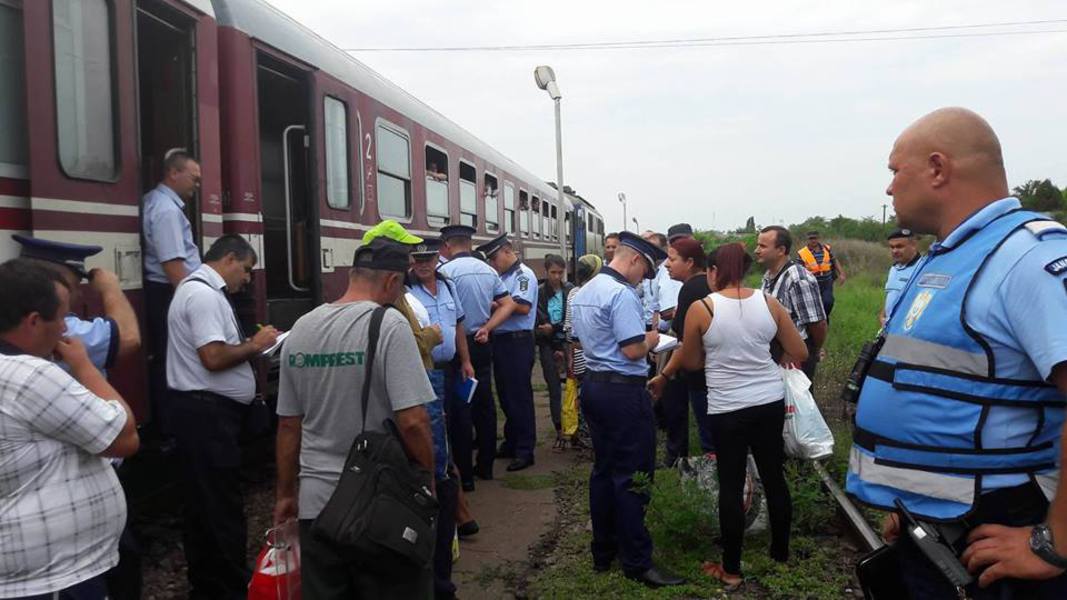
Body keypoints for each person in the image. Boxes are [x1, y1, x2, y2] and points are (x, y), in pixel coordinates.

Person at [844, 108, 1067, 599]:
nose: (888, 189)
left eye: (894, 171)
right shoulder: (952, 254)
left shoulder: (1026, 257)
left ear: (938, 169)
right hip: (940, 526)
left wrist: (1056, 542)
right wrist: (911, 498)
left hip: (997, 531)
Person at [273, 237, 437, 598]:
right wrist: (427, 474)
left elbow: (288, 425)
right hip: (380, 505)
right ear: (392, 282)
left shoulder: (301, 328)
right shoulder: (389, 325)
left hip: (316, 507)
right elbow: (413, 421)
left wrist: (286, 494)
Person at [650, 243, 806, 589]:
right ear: (746, 270)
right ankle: (780, 553)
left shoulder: (702, 308)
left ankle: (732, 569)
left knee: (731, 485)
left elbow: (691, 362)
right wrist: (766, 362)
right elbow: (799, 350)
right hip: (768, 402)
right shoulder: (769, 303)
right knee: (774, 476)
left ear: (713, 272)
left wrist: (716, 356)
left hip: (726, 407)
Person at [12, 236, 143, 598]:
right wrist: (113, 288)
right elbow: (125, 434)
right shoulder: (59, 343)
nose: (78, 299)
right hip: (59, 559)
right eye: (72, 289)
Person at [166, 234, 278, 599]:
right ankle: (226, 587)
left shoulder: (201, 292)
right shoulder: (202, 294)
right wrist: (257, 346)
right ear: (229, 259)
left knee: (208, 506)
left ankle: (213, 583)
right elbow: (212, 358)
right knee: (218, 508)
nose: (246, 279)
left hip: (206, 415)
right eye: (245, 270)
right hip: (206, 416)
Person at [570, 231, 684, 588]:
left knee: (603, 471)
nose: (643, 279)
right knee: (634, 475)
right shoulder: (621, 294)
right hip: (623, 393)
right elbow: (634, 350)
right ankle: (637, 561)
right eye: (645, 271)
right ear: (635, 260)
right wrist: (652, 338)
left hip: (594, 386)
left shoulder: (586, 290)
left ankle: (603, 551)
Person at [407, 237, 475, 599]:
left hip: (450, 369)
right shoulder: (407, 290)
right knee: (438, 440)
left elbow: (459, 326)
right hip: (425, 372)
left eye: (429, 258)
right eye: (418, 259)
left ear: (438, 258)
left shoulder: (448, 285)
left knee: (458, 431)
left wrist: (465, 360)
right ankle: (453, 512)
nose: (424, 264)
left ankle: (461, 502)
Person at [438, 225, 518, 481]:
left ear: (448, 245)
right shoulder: (487, 270)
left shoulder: (444, 273)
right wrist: (488, 327)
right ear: (470, 244)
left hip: (456, 348)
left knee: (460, 407)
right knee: (485, 404)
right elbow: (508, 304)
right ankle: (486, 466)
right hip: (482, 343)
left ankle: (465, 476)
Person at [142, 149, 203, 437]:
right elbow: (174, 266)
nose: (196, 185)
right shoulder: (166, 210)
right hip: (169, 293)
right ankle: (171, 429)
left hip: (165, 292)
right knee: (173, 359)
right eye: (194, 178)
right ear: (173, 173)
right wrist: (190, 304)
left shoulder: (158, 203)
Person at [13, 235, 141, 371]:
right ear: (55, 285)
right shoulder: (59, 329)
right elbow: (128, 339)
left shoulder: (11, 317)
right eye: (75, 285)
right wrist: (111, 287)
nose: (79, 294)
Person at [651, 237, 715, 465]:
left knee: (711, 442)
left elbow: (684, 341)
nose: (667, 264)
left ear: (689, 262)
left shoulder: (690, 289)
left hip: (701, 376)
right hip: (714, 372)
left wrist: (665, 374)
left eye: (672, 259)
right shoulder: (705, 284)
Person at [478, 233, 539, 472]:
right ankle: (512, 440)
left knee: (519, 397)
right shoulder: (503, 276)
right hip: (502, 341)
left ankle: (525, 450)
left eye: (494, 258)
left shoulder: (523, 275)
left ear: (506, 251)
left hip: (517, 341)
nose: (493, 264)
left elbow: (522, 307)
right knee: (505, 395)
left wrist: (495, 304)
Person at [754, 226, 828, 381]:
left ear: (781, 250)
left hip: (796, 359)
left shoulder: (797, 279)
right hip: (775, 355)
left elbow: (817, 324)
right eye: (758, 245)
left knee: (797, 402)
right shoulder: (769, 276)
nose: (756, 250)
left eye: (762, 246)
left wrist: (813, 351)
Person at [535, 254, 574, 447]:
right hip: (547, 344)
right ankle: (559, 429)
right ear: (546, 271)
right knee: (554, 388)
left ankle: (573, 426)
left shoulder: (571, 290)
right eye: (553, 272)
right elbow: (541, 321)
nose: (557, 277)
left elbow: (571, 319)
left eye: (560, 272)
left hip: (567, 343)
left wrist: (555, 327)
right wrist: (551, 332)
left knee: (573, 386)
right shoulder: (540, 292)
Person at [797, 230, 846, 318]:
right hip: (811, 285)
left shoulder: (827, 249)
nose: (813, 240)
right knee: (814, 307)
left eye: (815, 238)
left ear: (818, 239)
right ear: (807, 239)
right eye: (811, 238)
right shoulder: (802, 253)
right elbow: (799, 269)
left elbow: (834, 260)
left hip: (827, 282)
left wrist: (842, 274)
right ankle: (819, 324)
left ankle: (824, 318)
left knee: (828, 302)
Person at [879, 227, 921, 326]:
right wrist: (882, 315)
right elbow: (891, 296)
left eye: (899, 246)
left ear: (913, 245)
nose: (894, 251)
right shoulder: (894, 268)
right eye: (892, 247)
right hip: (889, 328)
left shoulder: (923, 268)